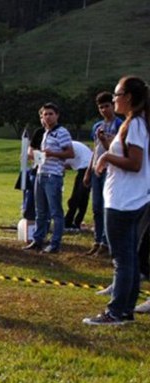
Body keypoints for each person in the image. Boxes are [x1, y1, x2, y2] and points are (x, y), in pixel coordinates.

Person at [83, 76, 150, 325]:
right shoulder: (138, 124)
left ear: (129, 97)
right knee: (130, 258)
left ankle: (116, 311)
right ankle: (126, 310)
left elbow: (135, 163)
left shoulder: (135, 124)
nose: (113, 100)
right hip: (131, 199)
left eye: (117, 95)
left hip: (123, 201)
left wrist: (107, 158)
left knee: (122, 259)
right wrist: (109, 148)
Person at [22, 103, 74, 254]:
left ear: (57, 115)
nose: (48, 117)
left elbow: (70, 153)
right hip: (40, 173)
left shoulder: (62, 132)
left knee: (55, 211)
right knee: (40, 211)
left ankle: (55, 243)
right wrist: (39, 155)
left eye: (51, 114)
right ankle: (37, 240)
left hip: (53, 175)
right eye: (45, 114)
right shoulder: (45, 133)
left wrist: (52, 154)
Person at [83, 92, 122, 256]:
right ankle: (97, 240)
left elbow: (116, 151)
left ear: (113, 106)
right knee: (96, 207)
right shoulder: (97, 126)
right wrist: (87, 172)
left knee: (107, 206)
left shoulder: (120, 125)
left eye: (107, 106)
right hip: (95, 171)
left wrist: (106, 140)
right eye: (101, 107)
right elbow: (95, 150)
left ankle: (107, 242)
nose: (104, 109)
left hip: (110, 170)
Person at [63, 141, 93, 231]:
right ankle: (77, 222)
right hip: (87, 165)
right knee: (83, 197)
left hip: (86, 167)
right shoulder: (69, 144)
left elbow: (63, 164)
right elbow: (69, 165)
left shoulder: (62, 147)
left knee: (77, 197)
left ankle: (68, 222)